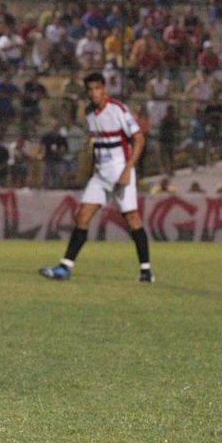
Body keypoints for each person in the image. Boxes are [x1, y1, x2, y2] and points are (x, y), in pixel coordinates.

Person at [40, 72, 154, 284]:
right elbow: (96, 141)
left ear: (104, 89)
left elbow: (138, 139)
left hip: (121, 171)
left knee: (132, 219)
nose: (94, 93)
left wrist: (128, 169)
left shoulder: (118, 110)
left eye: (97, 89)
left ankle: (146, 270)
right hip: (101, 175)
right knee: (82, 216)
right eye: (90, 90)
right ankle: (65, 267)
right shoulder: (90, 113)